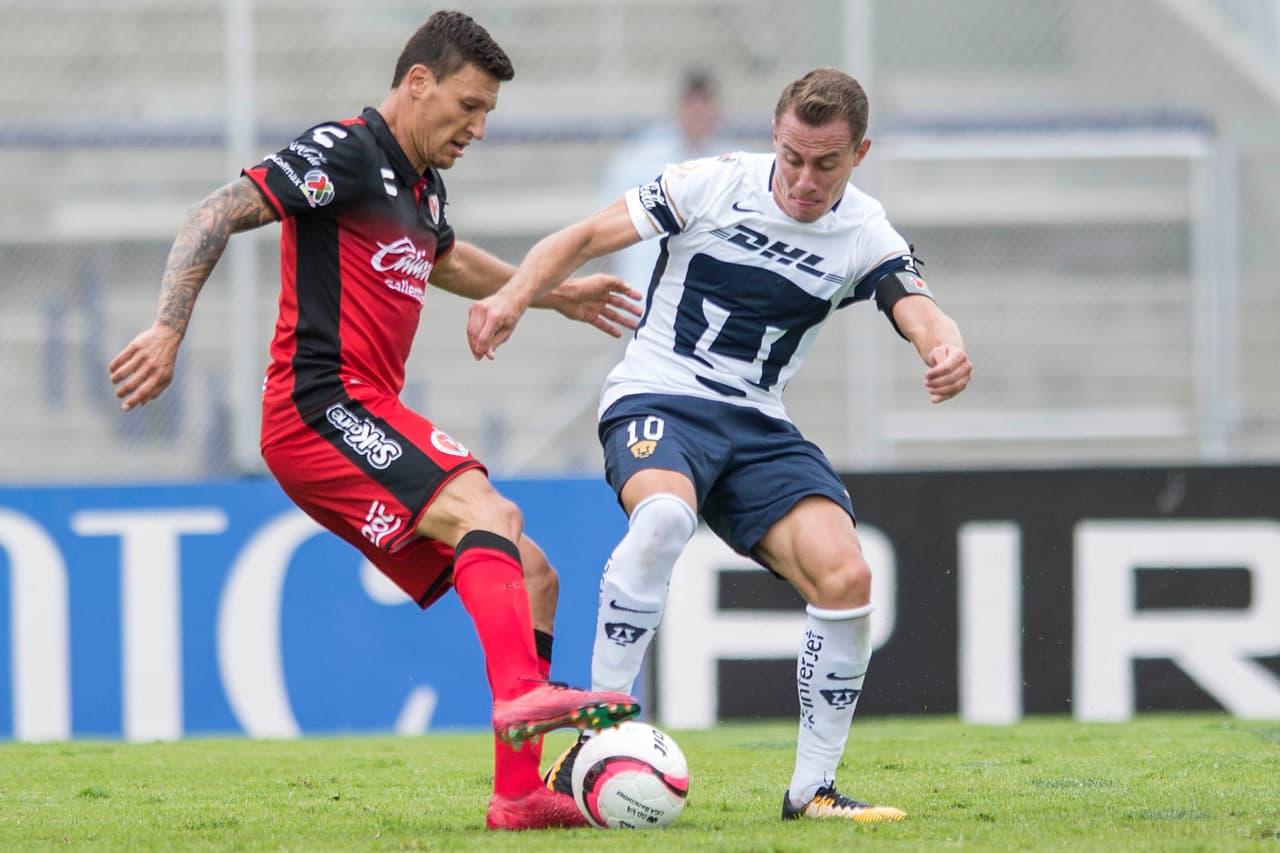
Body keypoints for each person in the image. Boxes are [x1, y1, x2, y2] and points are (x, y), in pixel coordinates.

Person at [107, 10, 644, 832]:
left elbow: (444, 256)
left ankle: (519, 794)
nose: (479, 126)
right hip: (316, 405)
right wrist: (169, 327)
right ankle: (519, 695)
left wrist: (547, 291)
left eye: (489, 112)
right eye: (468, 105)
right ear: (417, 82)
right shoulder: (345, 151)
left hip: (364, 408)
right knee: (486, 510)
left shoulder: (421, 182)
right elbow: (214, 212)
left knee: (535, 572)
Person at [467, 67, 973, 823]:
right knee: (664, 520)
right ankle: (591, 741)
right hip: (658, 394)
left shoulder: (864, 230)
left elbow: (920, 307)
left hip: (757, 423)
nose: (804, 180)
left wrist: (946, 347)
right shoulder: (709, 184)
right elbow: (581, 236)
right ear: (775, 135)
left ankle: (812, 791)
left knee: (846, 575)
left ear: (858, 154)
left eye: (826, 164)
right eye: (794, 157)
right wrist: (513, 295)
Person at [597, 69, 729, 292]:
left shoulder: (730, 164)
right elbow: (606, 221)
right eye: (691, 103)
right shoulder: (639, 158)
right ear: (678, 107)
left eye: (705, 102)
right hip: (644, 292)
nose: (698, 112)